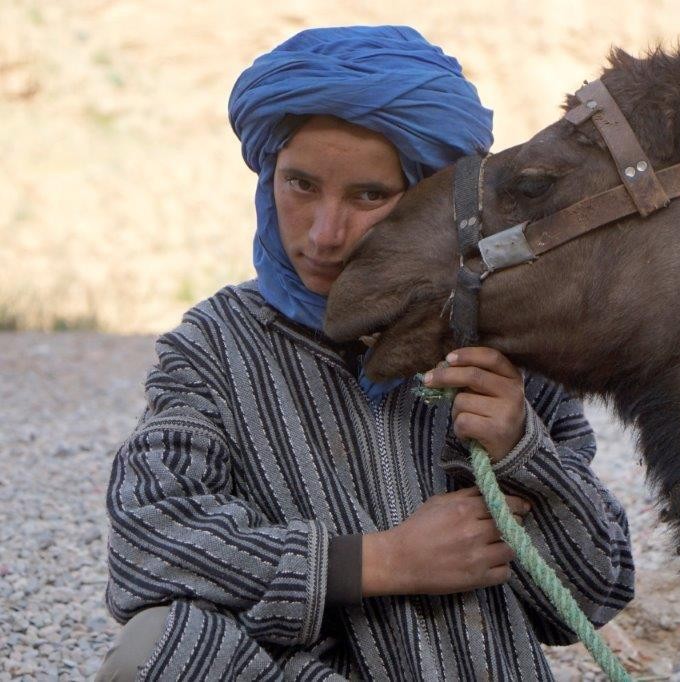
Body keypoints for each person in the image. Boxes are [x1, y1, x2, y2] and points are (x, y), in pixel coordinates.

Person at [98, 26, 634, 681]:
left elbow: (596, 593)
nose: (325, 234)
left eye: (368, 196)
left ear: (430, 200)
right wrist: (380, 562)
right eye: (300, 185)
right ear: (270, 178)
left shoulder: (497, 352)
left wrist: (524, 451)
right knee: (153, 650)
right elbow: (147, 547)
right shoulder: (218, 346)